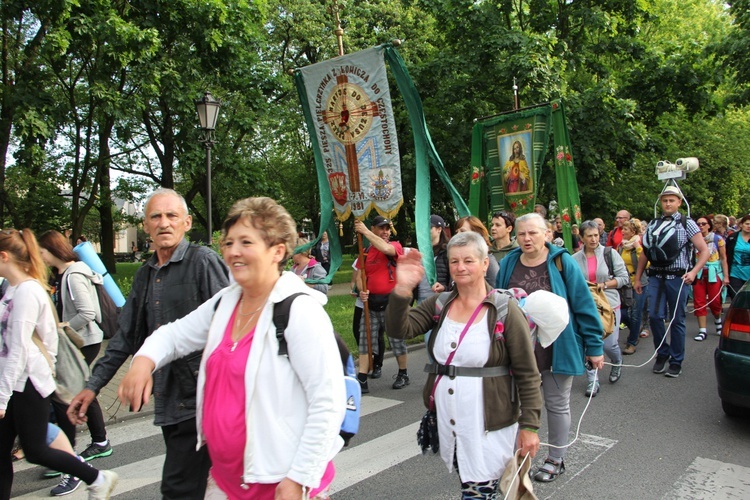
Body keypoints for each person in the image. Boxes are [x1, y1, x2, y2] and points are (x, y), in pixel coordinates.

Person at [118, 197, 345, 499]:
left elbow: (327, 401)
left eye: (246, 242)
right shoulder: (226, 301)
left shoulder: (298, 311)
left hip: (280, 483)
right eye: (228, 243)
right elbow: (172, 335)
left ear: (278, 251)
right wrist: (143, 362)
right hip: (226, 482)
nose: (233, 252)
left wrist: (299, 478)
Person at [67, 188, 230, 499]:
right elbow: (125, 336)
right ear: (145, 225)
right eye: (156, 216)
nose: (164, 223)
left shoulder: (203, 262)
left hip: (202, 401)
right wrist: (92, 386)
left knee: (178, 490)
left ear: (186, 222)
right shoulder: (145, 275)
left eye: (171, 216)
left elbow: (232, 326)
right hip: (169, 399)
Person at [386, 232, 542, 498]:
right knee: (474, 485)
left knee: (477, 490)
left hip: (490, 423)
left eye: (468, 260)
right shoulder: (440, 303)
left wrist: (530, 427)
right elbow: (399, 330)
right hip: (452, 420)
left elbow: (528, 374)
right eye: (454, 261)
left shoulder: (504, 310)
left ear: (484, 264)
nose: (460, 267)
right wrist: (402, 290)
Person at [0, 228, 118, 500]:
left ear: (4, 256)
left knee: (36, 450)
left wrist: (2, 397)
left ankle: (96, 477)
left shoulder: (27, 292)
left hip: (27, 382)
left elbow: (18, 348)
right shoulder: (11, 289)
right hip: (15, 381)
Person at [496, 213, 604, 483]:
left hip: (557, 347)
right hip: (519, 349)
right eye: (521, 234)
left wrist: (594, 346)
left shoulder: (561, 261)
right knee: (517, 405)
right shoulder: (509, 262)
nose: (527, 238)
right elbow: (497, 303)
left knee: (556, 404)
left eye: (533, 233)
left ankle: (556, 458)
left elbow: (583, 304)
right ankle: (519, 458)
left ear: (546, 234)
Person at [37, 231, 112, 477]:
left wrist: (62, 327)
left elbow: (87, 313)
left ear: (54, 250)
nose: (41, 257)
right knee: (82, 389)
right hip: (78, 340)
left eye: (43, 252)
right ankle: (93, 443)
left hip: (85, 340)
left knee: (75, 392)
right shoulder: (62, 275)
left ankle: (71, 455)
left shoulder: (74, 275)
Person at [634, 186, 709, 378]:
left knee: (677, 320)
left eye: (671, 200)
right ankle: (662, 353)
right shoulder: (653, 223)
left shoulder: (687, 223)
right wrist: (637, 277)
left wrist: (693, 272)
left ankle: (676, 361)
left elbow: (704, 250)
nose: (668, 203)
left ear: (679, 202)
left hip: (678, 277)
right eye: (665, 200)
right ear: (661, 202)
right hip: (656, 277)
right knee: (655, 317)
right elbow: (646, 252)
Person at [573, 221, 629, 396]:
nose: (593, 239)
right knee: (589, 342)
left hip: (609, 304)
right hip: (586, 306)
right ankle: (592, 380)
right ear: (581, 238)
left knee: (609, 343)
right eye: (589, 235)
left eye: (596, 235)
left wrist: (603, 285)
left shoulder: (609, 253)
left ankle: (617, 359)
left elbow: (623, 278)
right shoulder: (574, 259)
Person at [353, 216, 409, 392]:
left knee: (396, 340)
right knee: (364, 339)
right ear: (374, 228)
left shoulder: (395, 246)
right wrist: (362, 290)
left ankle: (403, 373)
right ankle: (362, 378)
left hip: (392, 304)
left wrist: (365, 232)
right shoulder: (366, 251)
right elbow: (361, 275)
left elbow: (386, 247)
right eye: (381, 228)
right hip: (371, 304)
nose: (385, 232)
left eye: (387, 228)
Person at [692, 216, 729, 340]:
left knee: (715, 301)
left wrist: (726, 276)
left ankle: (718, 321)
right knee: (699, 302)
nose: (700, 226)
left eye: (703, 223)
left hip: (714, 272)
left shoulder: (718, 239)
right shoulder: (693, 239)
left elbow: (723, 258)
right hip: (699, 273)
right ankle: (702, 330)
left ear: (709, 225)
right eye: (698, 224)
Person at [619, 218, 648, 355]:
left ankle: (632, 343)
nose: (622, 231)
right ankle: (636, 330)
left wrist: (637, 247)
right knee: (622, 312)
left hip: (639, 282)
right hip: (624, 284)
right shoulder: (622, 246)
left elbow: (647, 265)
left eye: (625, 229)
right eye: (622, 229)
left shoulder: (639, 245)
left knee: (636, 313)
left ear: (633, 232)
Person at [455, 215, 500, 285]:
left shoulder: (489, 261)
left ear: (476, 234)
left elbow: (496, 289)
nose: (457, 235)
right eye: (456, 232)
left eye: (462, 231)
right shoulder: (455, 261)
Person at [726, 214, 750, 299]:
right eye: (747, 224)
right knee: (737, 299)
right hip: (735, 273)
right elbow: (725, 255)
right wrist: (725, 275)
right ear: (741, 224)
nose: (749, 226)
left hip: (748, 274)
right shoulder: (733, 237)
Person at [430, 215, 451, 294]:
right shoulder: (421, 251)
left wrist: (444, 288)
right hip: (421, 301)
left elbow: (453, 281)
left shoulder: (447, 251)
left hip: (440, 299)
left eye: (430, 228)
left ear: (439, 229)